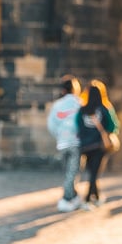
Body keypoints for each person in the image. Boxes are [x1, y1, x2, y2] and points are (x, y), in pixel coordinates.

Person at [46, 75, 83, 212]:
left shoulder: (57, 105)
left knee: (68, 171)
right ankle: (67, 197)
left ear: (63, 90)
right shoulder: (80, 103)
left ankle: (72, 196)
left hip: (62, 143)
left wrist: (60, 135)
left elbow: (51, 124)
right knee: (73, 172)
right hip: (76, 142)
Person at [77, 84, 117, 207]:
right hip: (99, 145)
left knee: (92, 171)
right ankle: (89, 197)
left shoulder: (82, 110)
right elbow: (112, 126)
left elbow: (78, 125)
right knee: (95, 172)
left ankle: (96, 196)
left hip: (85, 146)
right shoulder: (105, 108)